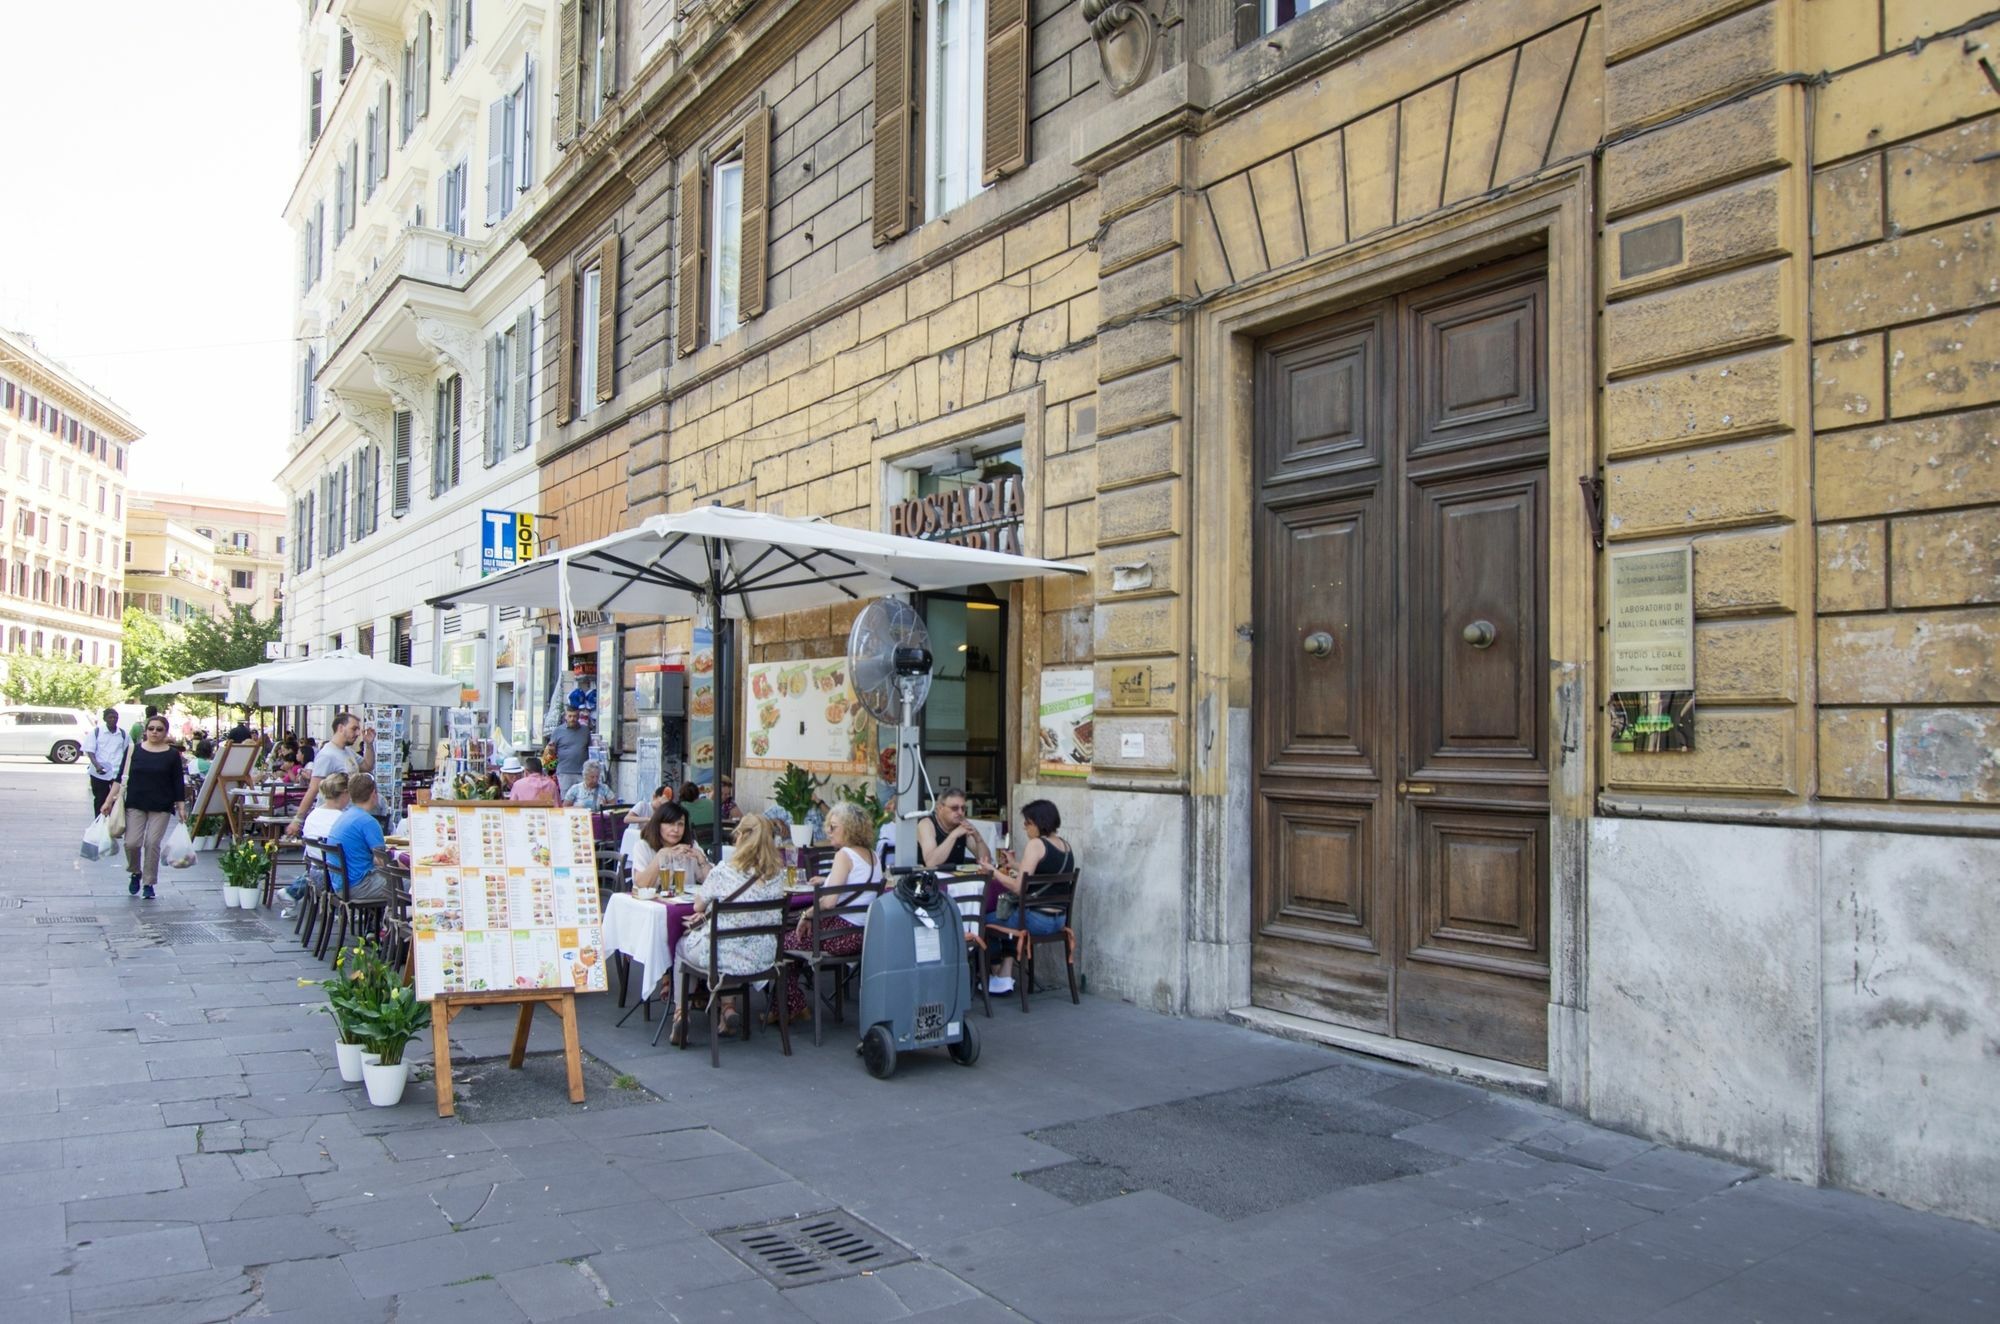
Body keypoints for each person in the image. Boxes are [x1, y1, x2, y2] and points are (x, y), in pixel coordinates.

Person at [670, 812, 786, 1045]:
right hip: (763, 956)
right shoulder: (778, 875)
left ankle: (681, 1012)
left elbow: (698, 904)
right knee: (732, 942)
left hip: (725, 956)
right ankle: (728, 1009)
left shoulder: (724, 871)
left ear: (741, 836)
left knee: (683, 948)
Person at [780, 801, 883, 1021]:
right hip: (862, 936)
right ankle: (785, 1008)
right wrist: (828, 880)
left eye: (833, 826)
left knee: (782, 943)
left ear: (849, 828)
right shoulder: (873, 856)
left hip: (839, 936)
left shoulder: (844, 855)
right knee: (798, 937)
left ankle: (794, 1004)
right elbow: (855, 883)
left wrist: (805, 914)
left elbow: (828, 903)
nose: (828, 831)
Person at [984, 799, 1076, 996]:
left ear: (1037, 822)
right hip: (1058, 921)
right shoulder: (1065, 846)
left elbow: (1018, 888)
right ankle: (1005, 974)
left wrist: (993, 872)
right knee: (1009, 917)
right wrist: (1014, 864)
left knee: (986, 920)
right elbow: (1040, 872)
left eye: (1027, 823)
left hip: (1036, 921)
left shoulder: (1036, 844)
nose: (1025, 828)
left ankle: (997, 976)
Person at [122, 715, 188, 901]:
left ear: (166, 732)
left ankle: (149, 882)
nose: (154, 732)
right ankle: (135, 871)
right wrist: (108, 801)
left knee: (152, 842)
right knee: (131, 842)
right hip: (136, 803)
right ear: (145, 730)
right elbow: (121, 778)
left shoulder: (172, 755)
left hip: (161, 805)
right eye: (151, 728)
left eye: (159, 729)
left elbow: (178, 782)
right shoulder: (133, 750)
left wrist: (181, 806)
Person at [282, 772, 351, 912]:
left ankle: (293, 891)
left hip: (314, 869)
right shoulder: (342, 819)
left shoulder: (313, 815)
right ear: (345, 793)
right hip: (336, 876)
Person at [289, 713, 366, 832]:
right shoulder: (327, 755)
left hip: (346, 815)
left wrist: (369, 744)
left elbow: (367, 766)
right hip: (332, 818)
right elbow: (313, 788)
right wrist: (298, 820)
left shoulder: (348, 751)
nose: (357, 733)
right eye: (354, 729)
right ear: (341, 728)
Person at [325, 773, 392, 904]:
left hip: (341, 884)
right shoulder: (368, 822)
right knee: (412, 885)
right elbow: (382, 860)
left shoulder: (345, 816)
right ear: (374, 794)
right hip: (359, 885)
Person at [633, 801, 712, 893]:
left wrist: (702, 860)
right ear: (658, 824)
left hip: (684, 904)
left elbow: (713, 884)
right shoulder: (643, 846)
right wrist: (659, 857)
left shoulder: (691, 846)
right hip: (652, 905)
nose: (676, 829)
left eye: (680, 824)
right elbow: (642, 885)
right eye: (670, 824)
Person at [916, 788, 992, 870]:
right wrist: (954, 835)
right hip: (928, 879)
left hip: (957, 879)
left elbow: (986, 861)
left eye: (963, 808)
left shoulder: (962, 825)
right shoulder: (927, 824)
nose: (960, 812)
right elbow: (931, 863)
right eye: (954, 808)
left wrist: (978, 838)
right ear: (940, 808)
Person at [83, 707, 131, 818]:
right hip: (100, 772)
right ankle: (99, 821)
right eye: (110, 717)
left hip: (116, 772)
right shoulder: (97, 732)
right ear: (105, 719)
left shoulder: (123, 734)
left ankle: (113, 822)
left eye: (115, 717)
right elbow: (90, 750)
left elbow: (128, 751)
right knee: (100, 798)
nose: (113, 720)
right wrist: (97, 765)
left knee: (116, 798)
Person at [543, 707, 592, 799]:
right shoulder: (558, 731)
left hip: (582, 772)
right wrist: (551, 750)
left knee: (583, 798)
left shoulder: (585, 731)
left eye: (574, 716)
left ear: (578, 717)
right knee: (566, 799)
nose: (572, 719)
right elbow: (550, 753)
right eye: (570, 716)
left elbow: (590, 749)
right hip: (564, 771)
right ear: (565, 717)